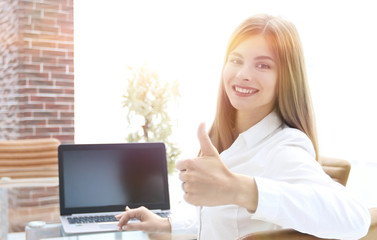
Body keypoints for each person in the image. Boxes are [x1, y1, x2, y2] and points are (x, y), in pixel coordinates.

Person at [116, 14, 371, 239]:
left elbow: (356, 220)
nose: (243, 74)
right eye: (236, 60)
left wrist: (242, 190)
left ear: (286, 78)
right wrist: (165, 224)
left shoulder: (283, 148)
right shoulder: (233, 140)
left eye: (263, 65)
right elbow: (224, 220)